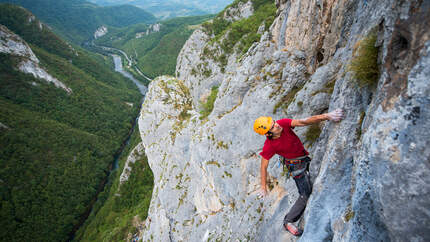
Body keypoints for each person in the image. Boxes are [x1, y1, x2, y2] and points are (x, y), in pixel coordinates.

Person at [253, 109, 343, 236]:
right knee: (305, 194)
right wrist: (263, 187)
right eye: (272, 127)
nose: (276, 125)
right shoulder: (270, 145)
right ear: (268, 134)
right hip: (296, 168)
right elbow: (263, 166)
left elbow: (303, 122)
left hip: (304, 158)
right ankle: (288, 221)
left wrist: (327, 116)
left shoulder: (283, 124)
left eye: (274, 122)